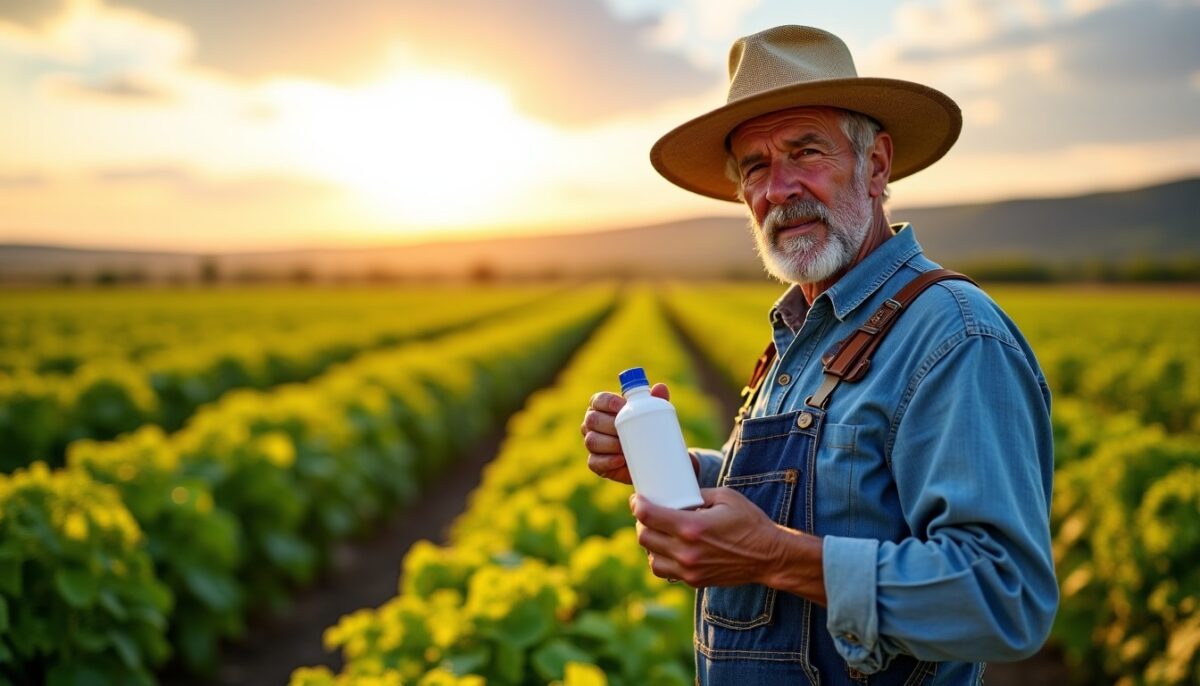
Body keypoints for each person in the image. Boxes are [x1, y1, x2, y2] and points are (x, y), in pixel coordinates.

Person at [580, 25, 1057, 685]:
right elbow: (835, 491)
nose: (779, 188)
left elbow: (1004, 598)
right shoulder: (800, 331)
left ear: (877, 164)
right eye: (755, 166)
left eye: (806, 151)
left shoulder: (953, 338)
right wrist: (680, 471)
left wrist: (772, 556)